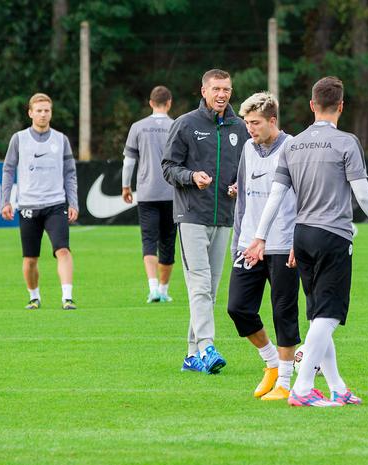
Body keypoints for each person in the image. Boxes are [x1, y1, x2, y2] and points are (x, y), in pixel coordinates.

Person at [244, 76, 368, 407]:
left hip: (301, 237)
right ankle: (301, 388)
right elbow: (362, 192)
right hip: (333, 236)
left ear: (312, 105)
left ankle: (338, 387)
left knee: (318, 314)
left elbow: (275, 196)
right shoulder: (346, 142)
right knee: (328, 315)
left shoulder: (293, 145)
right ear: (341, 106)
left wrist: (259, 236)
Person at [162, 69, 249, 375]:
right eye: (216, 89)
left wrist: (240, 185)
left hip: (225, 217)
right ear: (203, 91)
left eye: (226, 89)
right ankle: (207, 347)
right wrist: (191, 176)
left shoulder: (241, 127)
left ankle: (190, 355)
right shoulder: (186, 124)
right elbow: (169, 168)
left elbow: (246, 169)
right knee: (199, 283)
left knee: (210, 289)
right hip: (191, 215)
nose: (222, 94)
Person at [227, 92, 300, 401]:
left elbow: (306, 197)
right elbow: (243, 197)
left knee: (283, 311)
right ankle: (270, 363)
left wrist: (299, 241)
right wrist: (238, 241)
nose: (249, 128)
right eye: (246, 122)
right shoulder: (247, 147)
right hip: (248, 244)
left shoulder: (293, 148)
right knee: (238, 308)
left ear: (273, 121)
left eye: (255, 123)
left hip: (283, 244)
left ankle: (284, 382)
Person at [1, 93, 79, 310]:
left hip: (55, 204)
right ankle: (34, 297)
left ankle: (67, 297)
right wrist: (5, 201)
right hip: (28, 207)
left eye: (47, 110)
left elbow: (70, 173)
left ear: (51, 113)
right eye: (39, 110)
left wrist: (73, 203)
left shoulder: (61, 140)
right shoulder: (19, 139)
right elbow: (8, 170)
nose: (43, 114)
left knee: (63, 250)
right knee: (30, 259)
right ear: (30, 113)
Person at [122, 85, 176, 303]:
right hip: (173, 193)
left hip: (147, 193)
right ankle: (164, 290)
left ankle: (152, 288)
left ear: (150, 103)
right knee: (168, 242)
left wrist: (126, 186)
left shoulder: (138, 127)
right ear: (169, 103)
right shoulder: (176, 126)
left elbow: (128, 161)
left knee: (148, 240)